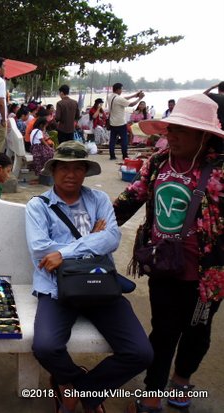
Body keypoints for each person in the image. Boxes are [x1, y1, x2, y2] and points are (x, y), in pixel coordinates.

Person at [113, 94, 224, 413]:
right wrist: (93, 228)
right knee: (162, 330)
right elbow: (128, 200)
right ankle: (152, 390)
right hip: (163, 265)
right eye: (170, 129)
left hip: (208, 275)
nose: (171, 137)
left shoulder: (219, 171)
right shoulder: (157, 163)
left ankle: (182, 378)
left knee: (198, 332)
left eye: (181, 131)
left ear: (204, 135)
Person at [26, 140, 153, 413]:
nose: (70, 174)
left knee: (141, 353)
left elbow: (112, 238)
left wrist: (67, 252)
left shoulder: (99, 199)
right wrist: (91, 240)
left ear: (86, 171)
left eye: (78, 168)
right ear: (54, 169)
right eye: (64, 168)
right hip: (56, 288)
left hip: (100, 285)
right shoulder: (39, 206)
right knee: (45, 347)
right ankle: (79, 385)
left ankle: (77, 393)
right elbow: (41, 249)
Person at [107, 83, 145, 160]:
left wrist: (134, 95)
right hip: (121, 123)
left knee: (112, 140)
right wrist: (139, 98)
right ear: (118, 90)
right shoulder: (119, 99)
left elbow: (123, 98)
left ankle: (112, 155)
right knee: (124, 140)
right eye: (121, 89)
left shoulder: (110, 96)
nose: (122, 91)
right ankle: (124, 155)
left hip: (112, 123)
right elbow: (131, 104)